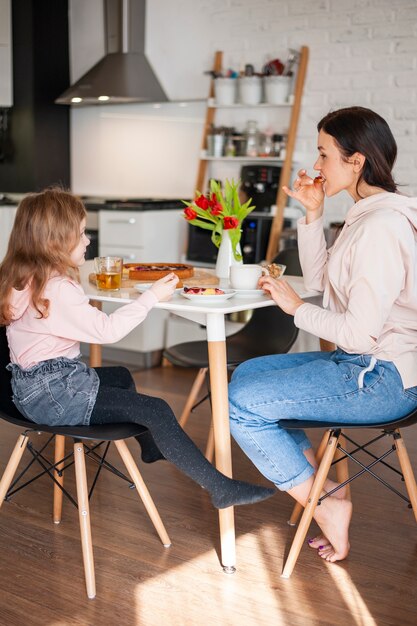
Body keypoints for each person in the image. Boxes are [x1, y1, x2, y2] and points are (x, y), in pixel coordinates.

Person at [0, 188, 275, 510]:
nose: (88, 240)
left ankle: (153, 445)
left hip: (29, 388)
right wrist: (152, 297)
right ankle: (220, 487)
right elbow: (107, 331)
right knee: (156, 409)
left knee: (119, 375)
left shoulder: (23, 279)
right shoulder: (57, 289)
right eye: (80, 233)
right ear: (56, 241)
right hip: (56, 395)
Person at [228, 106, 417, 562]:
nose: (316, 167)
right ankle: (320, 488)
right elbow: (319, 284)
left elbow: (355, 333)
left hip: (380, 379)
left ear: (356, 161)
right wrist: (312, 213)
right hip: (366, 367)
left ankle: (325, 502)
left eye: (324, 154)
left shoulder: (379, 228)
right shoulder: (368, 215)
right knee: (247, 373)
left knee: (243, 403)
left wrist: (295, 311)